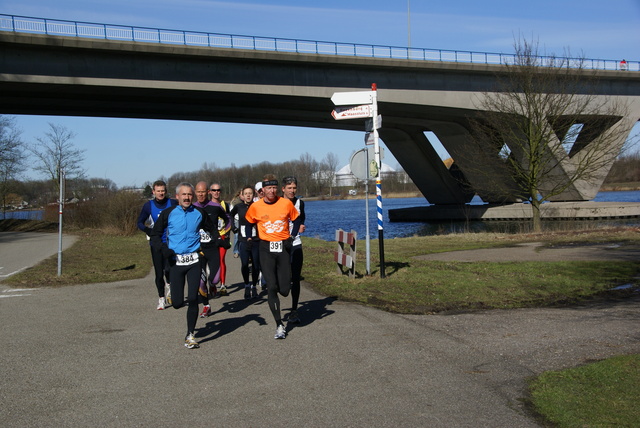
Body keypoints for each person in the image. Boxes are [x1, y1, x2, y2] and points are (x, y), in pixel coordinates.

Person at [150, 182, 217, 349]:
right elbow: (155, 235)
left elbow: (212, 229)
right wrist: (164, 249)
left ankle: (190, 334)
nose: (187, 198)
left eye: (189, 195)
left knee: (193, 298)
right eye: (184, 195)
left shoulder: (199, 213)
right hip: (176, 262)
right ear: (177, 197)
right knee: (178, 303)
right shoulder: (168, 213)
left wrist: (218, 242)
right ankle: (172, 294)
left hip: (194, 260)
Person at [245, 174, 299, 339]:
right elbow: (248, 221)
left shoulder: (286, 203)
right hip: (265, 248)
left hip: (283, 248)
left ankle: (283, 292)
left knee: (284, 289)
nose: (272, 190)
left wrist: (291, 236)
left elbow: (296, 220)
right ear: (263, 190)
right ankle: (279, 325)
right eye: (268, 188)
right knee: (272, 287)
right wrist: (248, 238)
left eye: (274, 188)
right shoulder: (256, 206)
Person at [137, 180, 177, 310]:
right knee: (159, 273)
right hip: (156, 243)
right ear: (153, 192)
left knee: (170, 270)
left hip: (171, 243)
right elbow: (140, 223)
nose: (161, 193)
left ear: (166, 191)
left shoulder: (172, 203)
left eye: (163, 191)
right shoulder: (148, 206)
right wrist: (149, 230)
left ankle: (170, 286)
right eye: (158, 191)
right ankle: (161, 298)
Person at [193, 181, 230, 318]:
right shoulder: (191, 207)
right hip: (198, 249)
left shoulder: (215, 206)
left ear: (207, 192)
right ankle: (206, 306)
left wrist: (223, 235)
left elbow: (228, 219)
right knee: (200, 282)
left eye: (203, 192)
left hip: (213, 248)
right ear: (195, 193)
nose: (201, 194)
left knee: (214, 280)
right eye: (198, 192)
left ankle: (213, 285)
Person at [281, 176, 306, 324]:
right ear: (283, 189)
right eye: (289, 188)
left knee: (295, 278)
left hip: (295, 243)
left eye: (294, 188)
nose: (292, 191)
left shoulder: (300, 203)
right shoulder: (277, 203)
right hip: (280, 245)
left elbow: (302, 218)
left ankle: (294, 310)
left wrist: (301, 225)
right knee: (283, 279)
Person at [229, 185, 260, 300]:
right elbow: (230, 216)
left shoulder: (257, 206)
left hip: (256, 239)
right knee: (245, 264)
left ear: (253, 195)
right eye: (246, 193)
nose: (248, 195)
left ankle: (254, 286)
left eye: (250, 193)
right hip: (243, 239)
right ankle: (247, 284)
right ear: (242, 195)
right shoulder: (238, 207)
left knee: (256, 265)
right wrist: (233, 227)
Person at [208, 183, 232, 296]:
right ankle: (212, 284)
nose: (216, 192)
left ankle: (222, 284)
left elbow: (229, 220)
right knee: (213, 261)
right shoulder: (207, 205)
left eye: (218, 190)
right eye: (214, 190)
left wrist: (227, 236)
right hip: (211, 238)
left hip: (222, 235)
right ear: (210, 192)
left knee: (221, 260)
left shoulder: (225, 205)